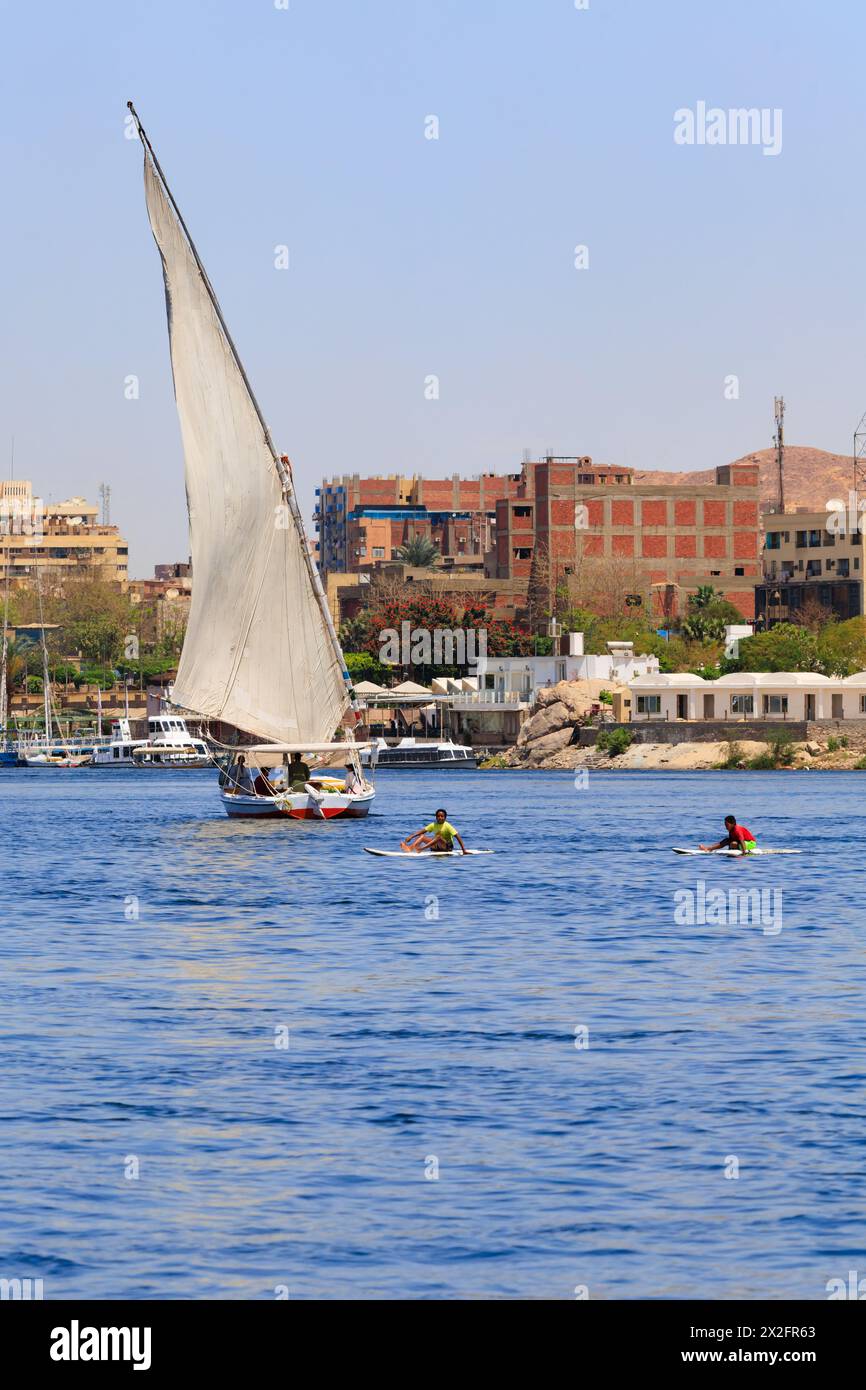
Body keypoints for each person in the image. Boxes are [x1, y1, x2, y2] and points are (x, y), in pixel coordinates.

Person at [401, 808, 467, 855]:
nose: (440, 817)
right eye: (438, 816)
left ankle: (421, 849)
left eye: (442, 816)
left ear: (445, 817)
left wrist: (464, 850)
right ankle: (410, 848)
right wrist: (411, 836)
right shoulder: (433, 824)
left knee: (438, 837)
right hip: (437, 847)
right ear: (436, 817)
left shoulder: (448, 826)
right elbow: (422, 831)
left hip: (447, 847)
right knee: (422, 836)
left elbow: (457, 836)